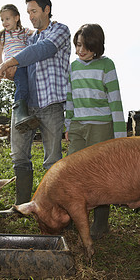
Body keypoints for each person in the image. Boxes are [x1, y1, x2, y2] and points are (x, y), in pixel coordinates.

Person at [0, 0, 71, 215]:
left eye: (33, 11)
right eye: (28, 13)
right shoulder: (30, 38)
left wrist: (9, 61)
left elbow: (41, 51)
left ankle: (51, 207)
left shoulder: (60, 30)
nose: (30, 16)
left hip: (51, 103)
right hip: (27, 104)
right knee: (18, 155)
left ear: (46, 9)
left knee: (52, 159)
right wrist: (9, 72)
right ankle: (21, 205)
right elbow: (23, 64)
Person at [65, 23, 127, 239]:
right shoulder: (73, 67)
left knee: (99, 176)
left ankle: (100, 224)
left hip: (101, 127)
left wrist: (120, 138)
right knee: (72, 172)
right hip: (78, 127)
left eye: (86, 46)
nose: (81, 50)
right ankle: (71, 218)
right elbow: (70, 98)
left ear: (97, 46)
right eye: (78, 45)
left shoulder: (106, 65)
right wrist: (68, 124)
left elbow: (115, 101)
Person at [0, 4, 39, 133]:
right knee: (22, 86)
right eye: (2, 20)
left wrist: (51, 25)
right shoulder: (1, 35)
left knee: (28, 87)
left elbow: (38, 32)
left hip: (25, 64)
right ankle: (19, 115)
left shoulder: (23, 31)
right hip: (12, 66)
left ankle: (27, 112)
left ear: (16, 18)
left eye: (7, 19)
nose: (4, 22)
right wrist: (2, 68)